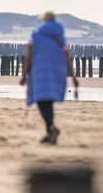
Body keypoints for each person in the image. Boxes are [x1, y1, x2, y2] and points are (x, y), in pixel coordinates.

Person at [20, 12, 78, 144]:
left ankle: (51, 128)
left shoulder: (35, 36)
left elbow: (28, 58)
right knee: (49, 102)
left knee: (41, 101)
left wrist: (24, 75)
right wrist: (73, 76)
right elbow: (68, 59)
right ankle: (50, 133)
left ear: (43, 21)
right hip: (57, 73)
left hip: (39, 72)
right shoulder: (61, 38)